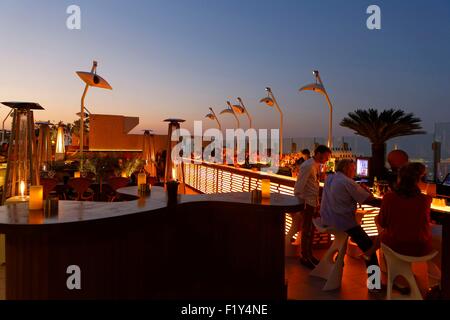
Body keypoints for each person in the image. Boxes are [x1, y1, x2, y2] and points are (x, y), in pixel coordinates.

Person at [376, 162, 439, 296]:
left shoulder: (389, 197)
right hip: (420, 249)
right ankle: (436, 284)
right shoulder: (425, 200)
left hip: (394, 246)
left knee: (374, 245)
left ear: (400, 178)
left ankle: (375, 283)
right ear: (418, 180)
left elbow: (382, 222)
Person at [319, 159, 379, 271]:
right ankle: (374, 285)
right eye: (353, 169)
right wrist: (368, 192)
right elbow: (368, 200)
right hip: (342, 222)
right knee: (369, 248)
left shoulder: (330, 178)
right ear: (346, 168)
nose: (354, 172)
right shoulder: (347, 182)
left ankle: (339, 260)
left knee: (346, 235)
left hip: (326, 219)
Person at [293, 145, 331, 269]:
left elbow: (313, 185)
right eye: (326, 156)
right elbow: (299, 187)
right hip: (307, 203)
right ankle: (305, 257)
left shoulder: (315, 165)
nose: (327, 159)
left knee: (311, 231)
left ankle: (309, 255)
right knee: (307, 230)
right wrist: (301, 205)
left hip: (312, 203)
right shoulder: (308, 166)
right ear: (319, 153)